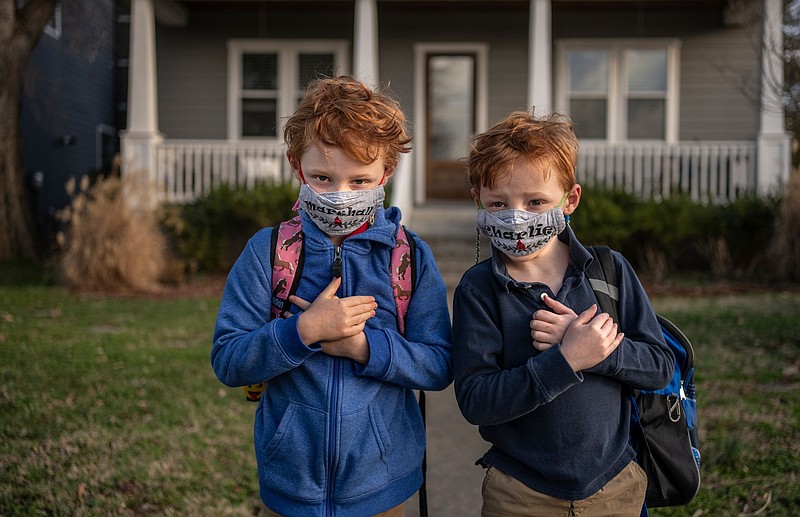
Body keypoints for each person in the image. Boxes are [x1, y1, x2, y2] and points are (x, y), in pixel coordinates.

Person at [211, 76, 453, 517]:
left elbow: (438, 364)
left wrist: (365, 348)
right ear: (296, 166)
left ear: (387, 172)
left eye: (360, 181)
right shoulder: (268, 253)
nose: (341, 196)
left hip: (382, 488)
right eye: (323, 178)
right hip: (290, 490)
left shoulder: (409, 257)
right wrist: (301, 331)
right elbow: (228, 359)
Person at [452, 111, 675, 517]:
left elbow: (660, 366)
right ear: (478, 201)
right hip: (519, 494)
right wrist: (566, 359)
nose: (516, 218)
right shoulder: (479, 288)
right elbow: (475, 401)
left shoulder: (609, 270)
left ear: (569, 199)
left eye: (536, 202)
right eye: (498, 204)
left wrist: (599, 349)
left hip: (615, 485)